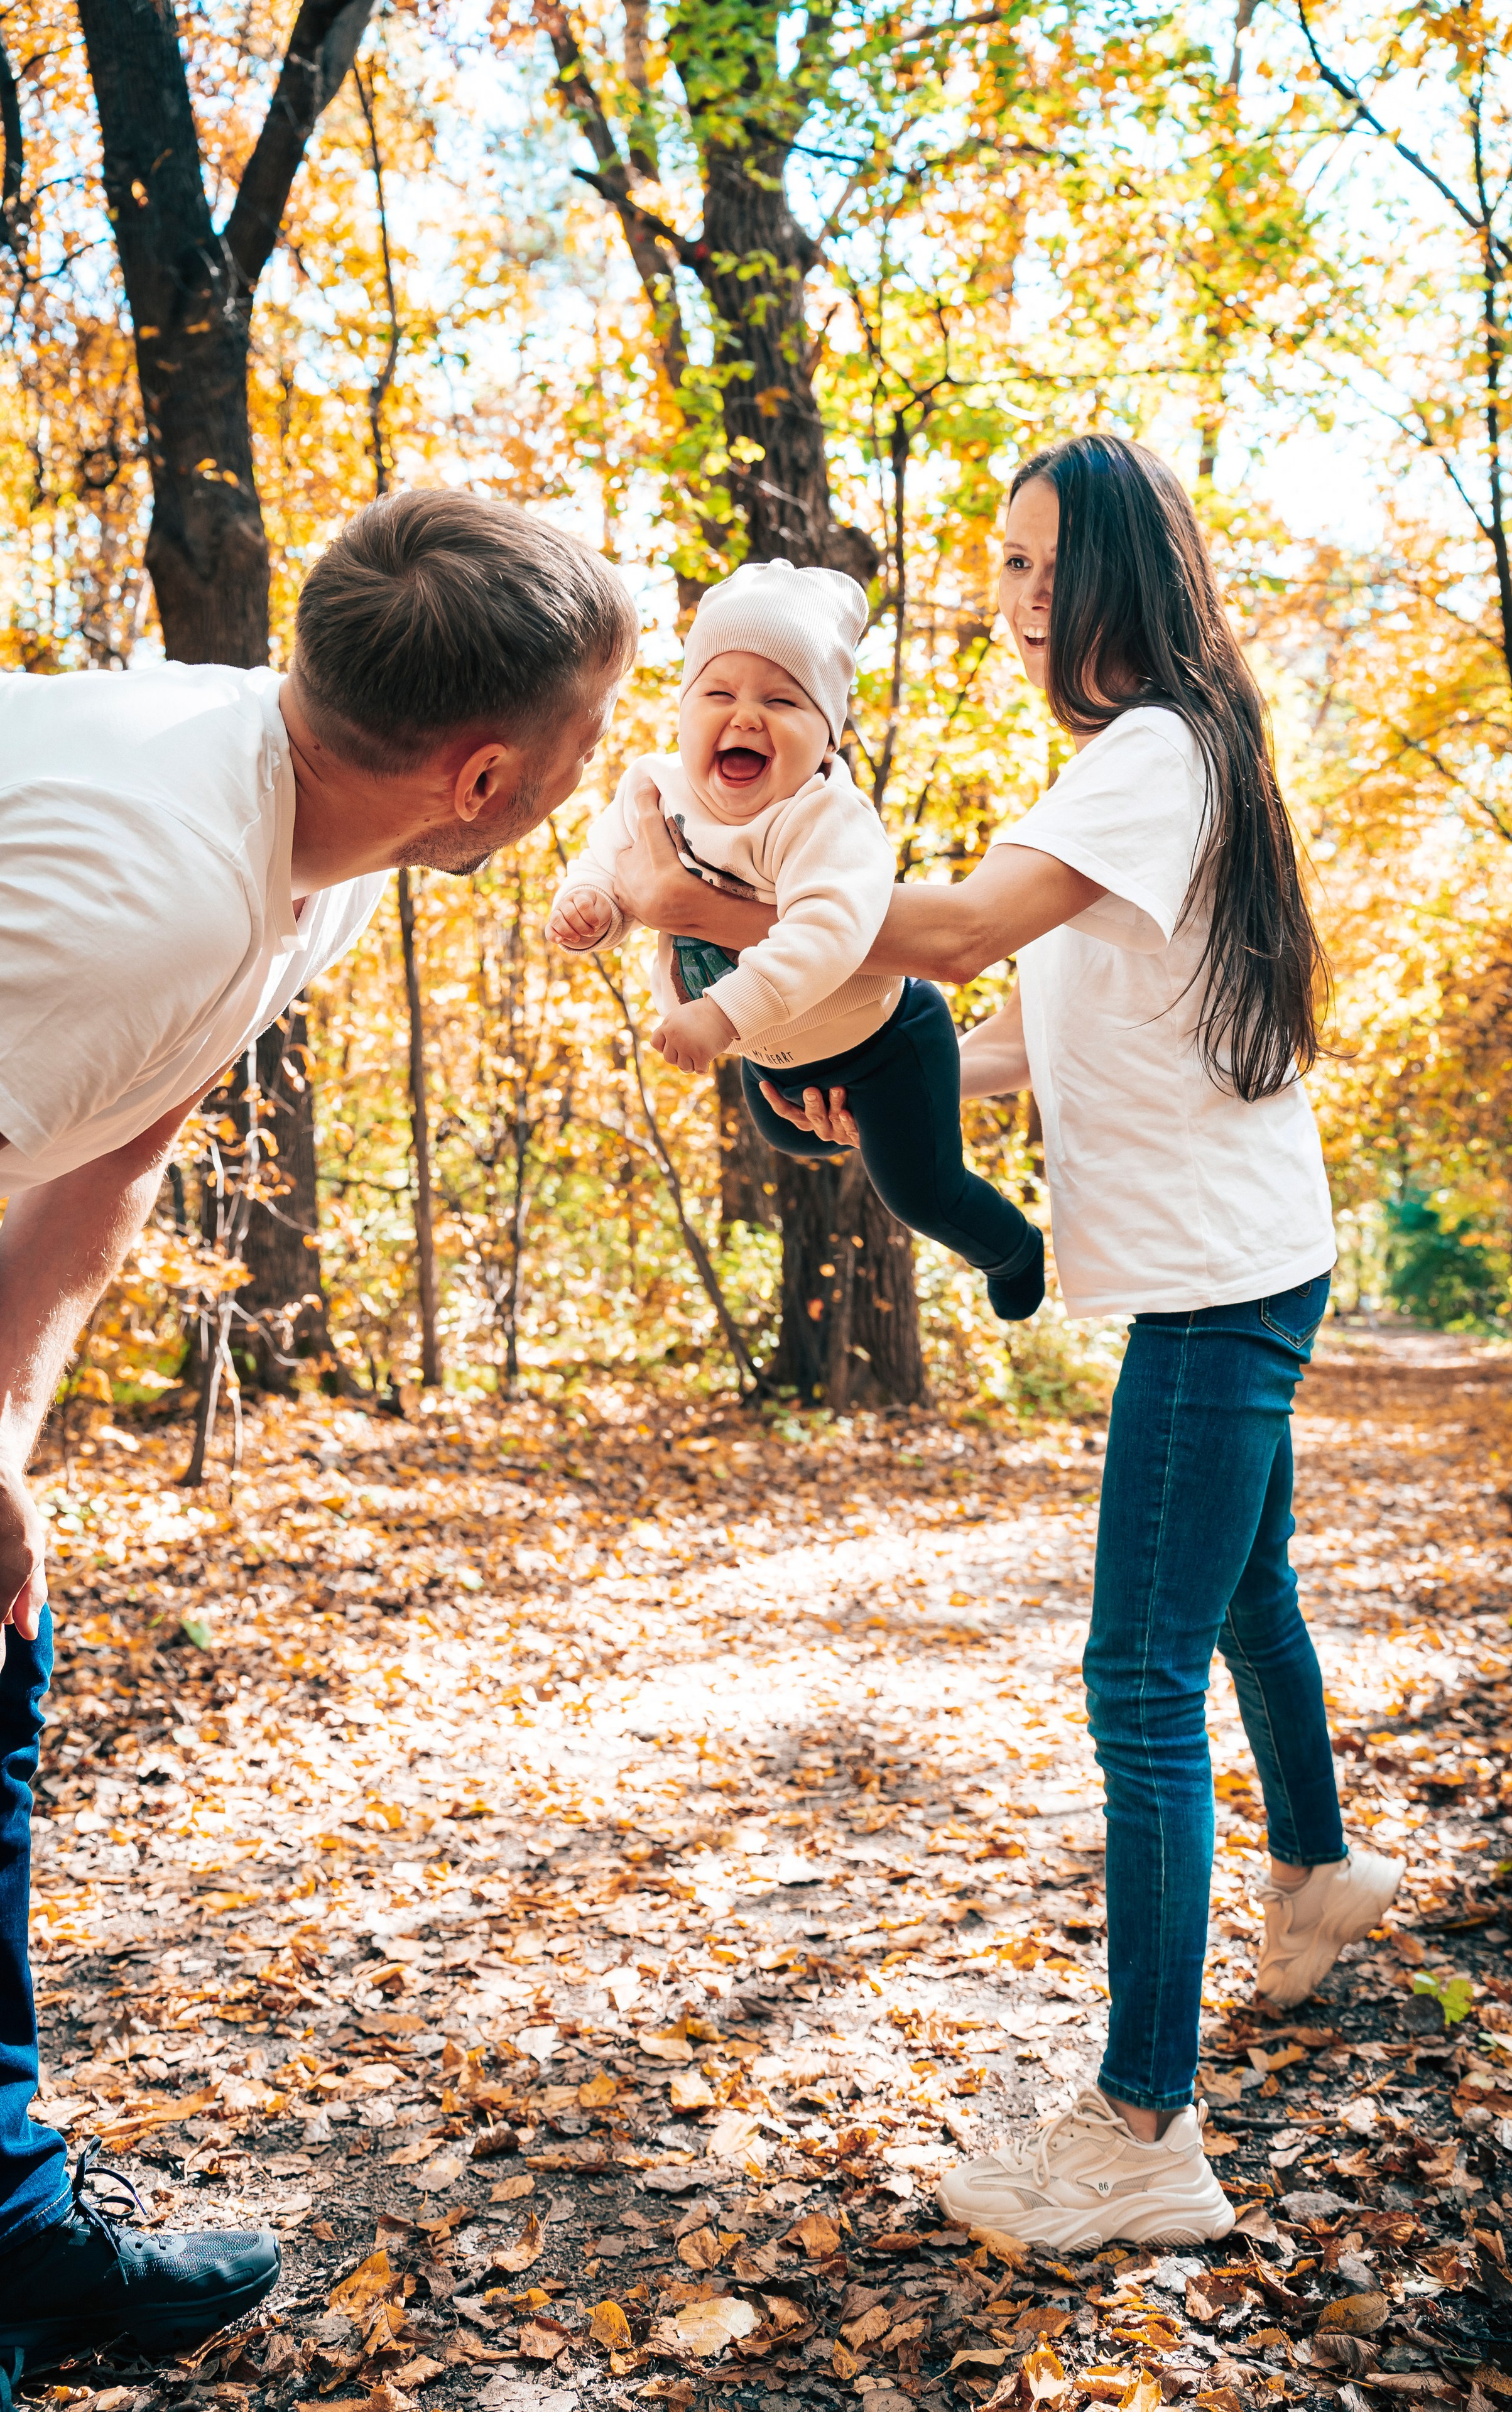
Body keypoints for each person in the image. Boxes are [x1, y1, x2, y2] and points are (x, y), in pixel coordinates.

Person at [601, 433, 1401, 2250]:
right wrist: (909, 1102)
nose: (1019, 601)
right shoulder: (1156, 764)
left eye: (1049, 567)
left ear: (1130, 574)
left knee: (1139, 1678)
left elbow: (946, 931)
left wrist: (702, 919)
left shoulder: (1152, 751)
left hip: (1216, 1281)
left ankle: (1142, 2136)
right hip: (1246, 1254)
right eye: (1006, 568)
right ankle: (1323, 1867)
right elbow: (1067, 1023)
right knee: (1245, 1599)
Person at [0, 489, 635, 2369]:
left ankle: (16, 2234)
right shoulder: (148, 886)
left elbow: (111, 1151)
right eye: (592, 734)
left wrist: (3, 1438)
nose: (601, 765)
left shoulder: (308, 827)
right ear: (484, 776)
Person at [546, 560, 1045, 1318]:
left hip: (883, 1042)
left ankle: (1011, 1249)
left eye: (781, 700)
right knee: (797, 1140)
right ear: (681, 711)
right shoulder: (653, 787)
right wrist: (590, 906)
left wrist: (716, 1016)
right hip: (769, 1048)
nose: (744, 716)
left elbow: (825, 934)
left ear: (827, 738)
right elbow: (611, 865)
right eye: (717, 693)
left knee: (919, 1193)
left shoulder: (823, 819)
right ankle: (855, 1124)